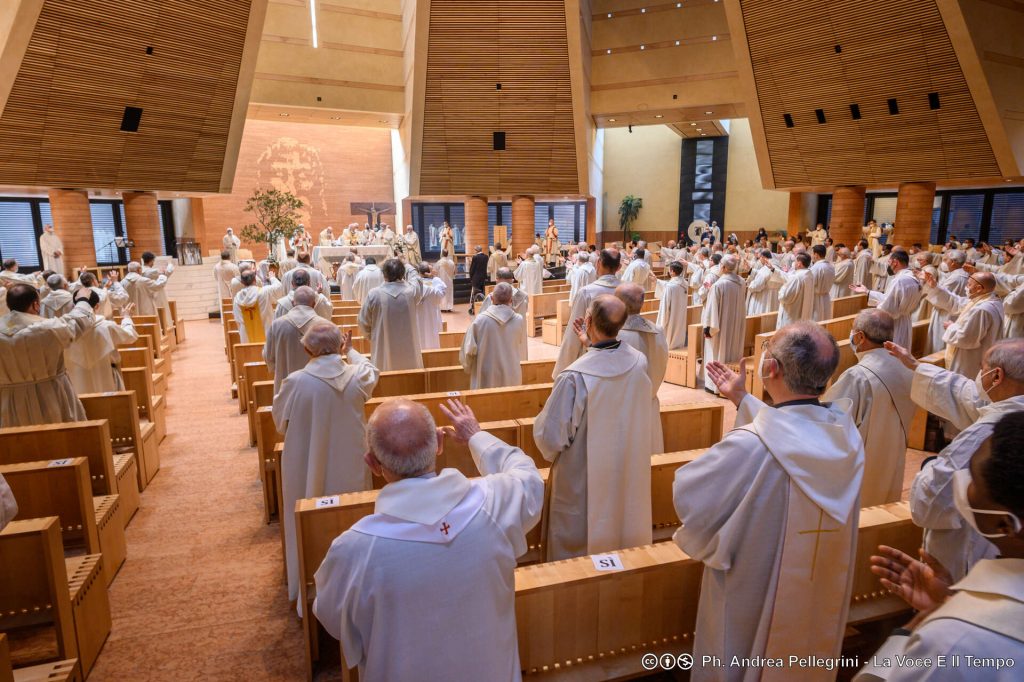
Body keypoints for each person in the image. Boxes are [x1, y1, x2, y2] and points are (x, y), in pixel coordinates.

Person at [675, 322, 864, 679]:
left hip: (754, 588)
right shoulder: (846, 435)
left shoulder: (750, 444)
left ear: (771, 368)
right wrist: (743, 401)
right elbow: (792, 430)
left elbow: (689, 496)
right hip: (819, 589)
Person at [313, 398, 542, 681]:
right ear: (439, 443)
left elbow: (333, 618)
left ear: (372, 464)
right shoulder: (493, 503)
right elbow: (528, 477)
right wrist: (475, 435)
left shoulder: (354, 549)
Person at [854, 412, 1024, 682]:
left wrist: (919, 624)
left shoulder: (953, 640)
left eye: (973, 480)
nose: (963, 483)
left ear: (1005, 524)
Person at [888, 337, 1024, 581]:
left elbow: (930, 503)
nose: (978, 377)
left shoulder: (987, 435)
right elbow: (970, 397)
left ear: (996, 376)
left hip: (974, 553)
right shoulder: (1011, 408)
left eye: (981, 369)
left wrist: (929, 466)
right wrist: (916, 366)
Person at [534, 295, 654, 560]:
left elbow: (550, 438)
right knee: (620, 526)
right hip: (625, 466)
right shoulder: (639, 362)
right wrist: (589, 345)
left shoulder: (574, 377)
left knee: (581, 544)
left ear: (588, 322)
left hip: (582, 476)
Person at [273, 323, 379, 605]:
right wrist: (351, 351)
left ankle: (309, 581)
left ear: (308, 350)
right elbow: (372, 370)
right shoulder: (356, 376)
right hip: (352, 461)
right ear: (340, 345)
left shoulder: (296, 382)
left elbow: (280, 423)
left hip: (309, 461)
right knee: (353, 518)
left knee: (311, 517)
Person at [823, 309, 915, 506]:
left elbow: (829, 426)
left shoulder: (858, 377)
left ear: (860, 337)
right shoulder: (905, 369)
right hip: (892, 458)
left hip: (861, 465)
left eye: (852, 330)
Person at [0, 284, 97, 427]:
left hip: (9, 402)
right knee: (59, 435)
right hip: (51, 395)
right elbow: (78, 321)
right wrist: (82, 300)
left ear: (9, 305)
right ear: (36, 305)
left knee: (18, 437)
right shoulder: (47, 329)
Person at [553, 249, 624, 375]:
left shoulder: (586, 292)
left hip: (592, 352)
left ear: (598, 263)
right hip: (620, 354)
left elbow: (575, 330)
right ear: (619, 267)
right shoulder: (627, 291)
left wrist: (562, 367)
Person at [616, 283, 668, 452]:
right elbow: (661, 364)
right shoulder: (657, 330)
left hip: (620, 408)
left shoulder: (614, 334)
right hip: (648, 402)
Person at [923, 270, 1003, 379]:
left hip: (970, 359)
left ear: (979, 288)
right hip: (978, 355)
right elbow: (956, 302)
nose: (966, 287)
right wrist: (935, 287)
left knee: (962, 383)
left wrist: (951, 327)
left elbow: (966, 338)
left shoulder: (982, 309)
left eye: (969, 284)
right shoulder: (989, 300)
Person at [358, 258, 424, 371]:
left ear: (384, 274)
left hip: (382, 348)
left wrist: (374, 336)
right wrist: (407, 264)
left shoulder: (374, 294)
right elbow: (416, 279)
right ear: (402, 274)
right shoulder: (411, 292)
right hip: (409, 350)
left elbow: (363, 322)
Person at [851, 249, 922, 350]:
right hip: (905, 321)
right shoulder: (913, 278)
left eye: (889, 262)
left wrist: (870, 315)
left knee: (893, 352)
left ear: (895, 262)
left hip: (893, 324)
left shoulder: (899, 281)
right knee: (902, 349)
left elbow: (887, 308)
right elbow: (890, 299)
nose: (888, 265)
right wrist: (867, 291)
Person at [264, 287, 329, 394]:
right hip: (317, 390)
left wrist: (281, 367)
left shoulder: (276, 325)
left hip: (285, 388)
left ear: (293, 303)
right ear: (314, 304)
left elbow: (268, 356)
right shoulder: (326, 326)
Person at [66, 297, 139, 394]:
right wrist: (127, 318)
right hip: (107, 375)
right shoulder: (106, 326)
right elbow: (130, 336)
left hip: (79, 382)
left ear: (74, 306)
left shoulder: (66, 331)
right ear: (97, 306)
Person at [461, 283, 526, 389]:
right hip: (511, 373)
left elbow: (468, 350)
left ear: (491, 298)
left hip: (487, 374)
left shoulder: (480, 320)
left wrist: (468, 367)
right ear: (511, 300)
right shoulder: (518, 319)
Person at [701, 255, 746, 394]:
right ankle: (732, 382)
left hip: (720, 327)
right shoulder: (741, 282)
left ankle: (715, 385)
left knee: (717, 352)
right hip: (735, 324)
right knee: (732, 352)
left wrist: (708, 329)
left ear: (724, 267)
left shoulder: (719, 285)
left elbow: (712, 309)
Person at [924, 250, 970, 355]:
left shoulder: (956, 278)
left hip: (945, 314)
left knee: (939, 342)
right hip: (953, 312)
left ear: (953, 262)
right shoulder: (962, 274)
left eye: (945, 260)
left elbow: (941, 298)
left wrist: (932, 288)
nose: (943, 263)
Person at [232, 270, 284, 343]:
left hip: (246, 338)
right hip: (266, 334)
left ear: (242, 282)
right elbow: (279, 288)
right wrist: (272, 278)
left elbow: (237, 319)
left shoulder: (237, 298)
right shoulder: (264, 292)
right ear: (255, 280)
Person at [656, 261, 691, 350]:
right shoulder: (685, 283)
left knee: (669, 337)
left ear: (672, 271)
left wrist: (662, 323)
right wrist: (657, 281)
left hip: (671, 316)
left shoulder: (670, 286)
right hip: (680, 314)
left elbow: (665, 306)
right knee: (678, 331)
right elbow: (671, 285)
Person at [414, 262, 446, 350]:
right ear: (427, 273)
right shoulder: (436, 284)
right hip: (432, 316)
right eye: (432, 270)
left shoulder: (414, 286)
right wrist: (436, 278)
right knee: (432, 337)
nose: (434, 271)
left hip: (418, 317)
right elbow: (441, 294)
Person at [777, 252, 814, 326]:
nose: (794, 263)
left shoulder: (796, 277)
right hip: (802, 313)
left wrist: (783, 288)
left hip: (791, 314)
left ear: (799, 264)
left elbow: (785, 297)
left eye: (795, 261)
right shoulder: (809, 275)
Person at [746, 250, 784, 316]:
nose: (760, 260)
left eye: (760, 258)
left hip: (764, 299)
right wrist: (750, 270)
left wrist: (750, 285)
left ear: (763, 257)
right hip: (775, 298)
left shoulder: (766, 268)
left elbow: (757, 285)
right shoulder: (777, 268)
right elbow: (763, 275)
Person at [809, 244, 836, 321]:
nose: (812, 256)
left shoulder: (816, 268)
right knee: (825, 318)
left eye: (812, 253)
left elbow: (810, 284)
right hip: (826, 297)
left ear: (816, 255)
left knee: (816, 320)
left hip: (816, 298)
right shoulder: (831, 266)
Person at [468, 245, 489, 314]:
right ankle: (483, 308)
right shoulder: (486, 257)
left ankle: (473, 308)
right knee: (483, 294)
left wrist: (471, 278)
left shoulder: (475, 257)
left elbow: (472, 269)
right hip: (483, 278)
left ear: (476, 250)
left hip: (476, 278)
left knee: (475, 294)